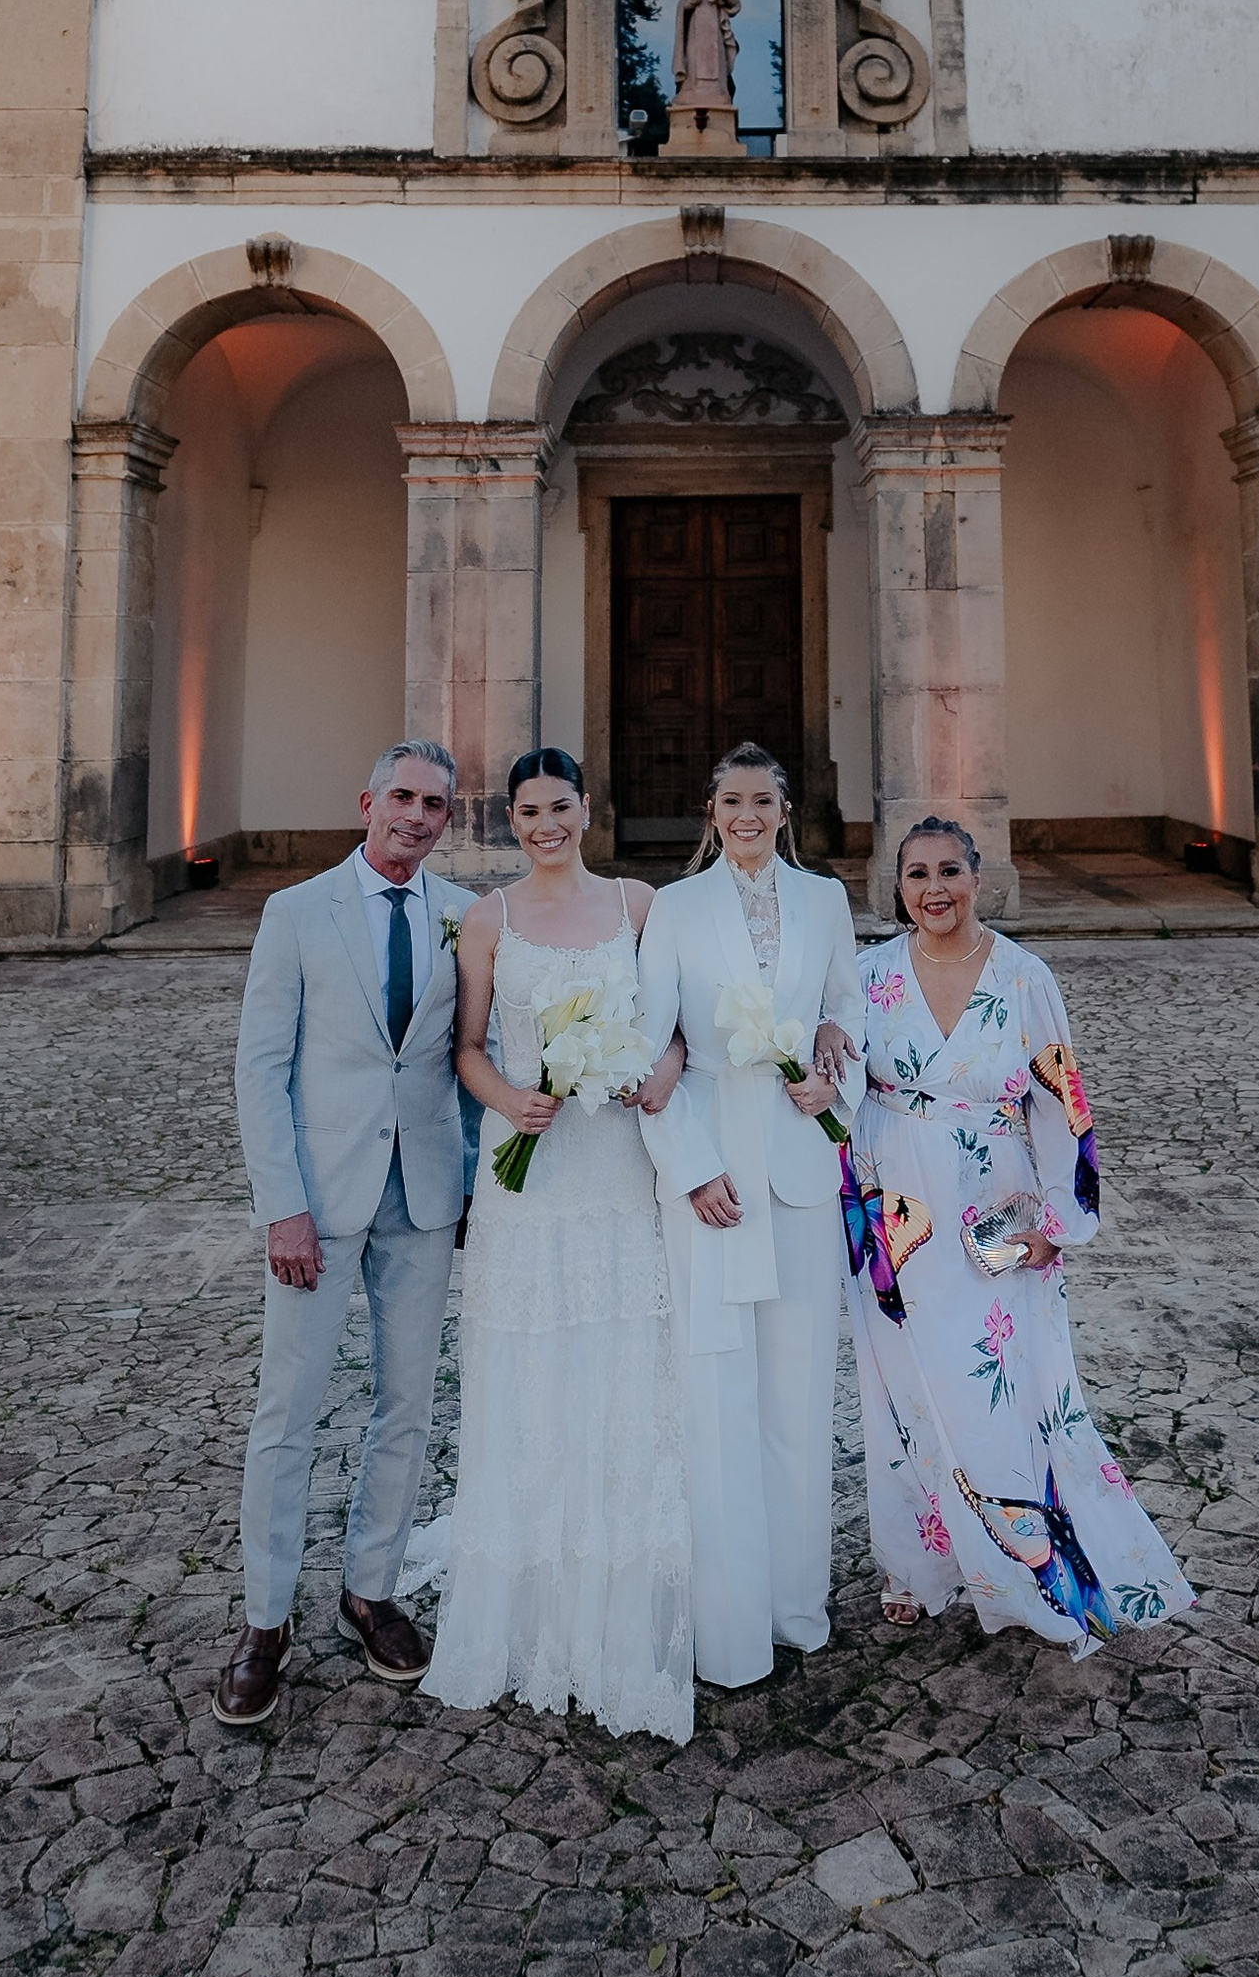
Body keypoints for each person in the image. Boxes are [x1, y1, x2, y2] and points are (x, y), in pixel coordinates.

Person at [845, 812, 1193, 1656]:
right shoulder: (866, 975)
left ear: (977, 879)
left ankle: (1032, 1567)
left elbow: (1062, 1100)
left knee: (1007, 1392)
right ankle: (917, 1569)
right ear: (897, 887)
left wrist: (1059, 1222)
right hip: (896, 1218)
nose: (935, 890)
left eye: (950, 872)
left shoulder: (1024, 976)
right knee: (905, 1394)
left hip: (995, 1211)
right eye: (918, 874)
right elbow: (842, 1084)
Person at [419, 746, 698, 1740]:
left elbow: (676, 1025)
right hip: (527, 1167)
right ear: (511, 820)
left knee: (626, 1362)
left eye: (560, 807)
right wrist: (510, 1099)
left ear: (587, 808)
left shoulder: (638, 907)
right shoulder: (486, 919)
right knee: (527, 1369)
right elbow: (465, 1047)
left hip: (618, 1161)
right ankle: (530, 1589)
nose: (545, 825)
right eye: (528, 811)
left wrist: (657, 1075)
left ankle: (623, 1585)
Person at [219, 741, 477, 1729]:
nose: (415, 816)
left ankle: (371, 1592)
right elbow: (260, 1066)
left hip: (423, 1202)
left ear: (448, 819)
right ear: (367, 800)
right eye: (402, 797)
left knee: (406, 1406)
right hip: (316, 1210)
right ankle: (264, 1621)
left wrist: (472, 1186)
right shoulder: (295, 914)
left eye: (435, 805)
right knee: (287, 1415)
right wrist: (281, 1203)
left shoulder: (463, 917)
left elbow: (469, 1058)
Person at [635, 743, 864, 1686]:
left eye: (762, 800)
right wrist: (691, 1169)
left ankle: (794, 1606)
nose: (747, 815)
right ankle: (726, 1626)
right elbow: (651, 1050)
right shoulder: (676, 910)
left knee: (800, 1399)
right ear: (710, 809)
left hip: (803, 1174)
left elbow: (851, 1005)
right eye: (731, 800)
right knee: (719, 1397)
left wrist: (831, 1061)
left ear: (785, 809)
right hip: (714, 1182)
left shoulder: (825, 901)